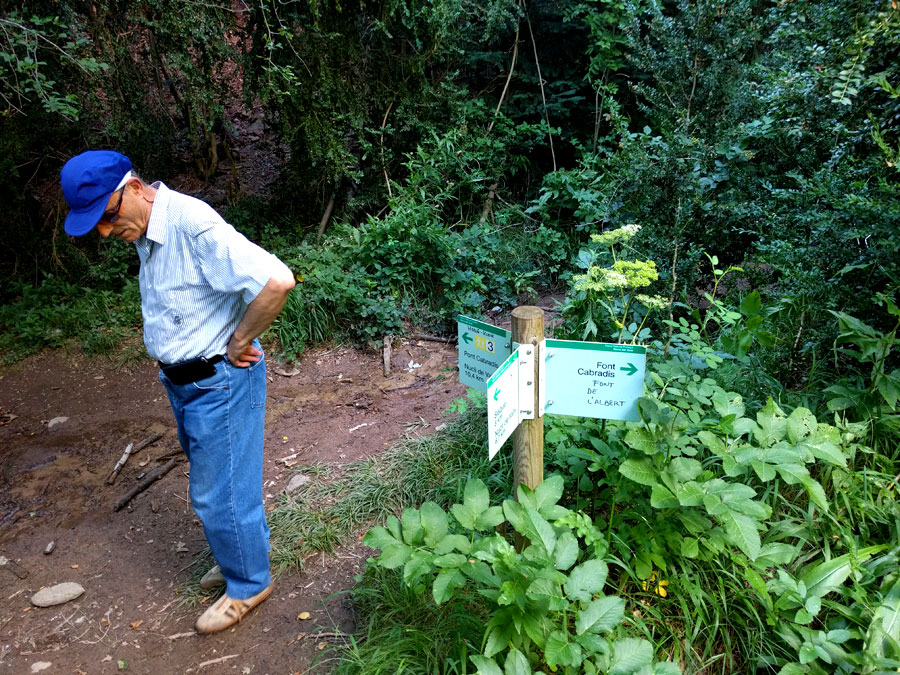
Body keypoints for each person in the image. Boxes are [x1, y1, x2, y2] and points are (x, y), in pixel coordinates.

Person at [60, 150, 296, 634]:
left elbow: (277, 280)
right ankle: (241, 555)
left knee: (219, 491)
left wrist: (241, 340)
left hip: (219, 382)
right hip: (186, 383)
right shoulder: (147, 230)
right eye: (96, 226)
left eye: (106, 217)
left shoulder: (192, 224)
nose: (105, 233)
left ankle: (250, 583)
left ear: (136, 188)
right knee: (219, 483)